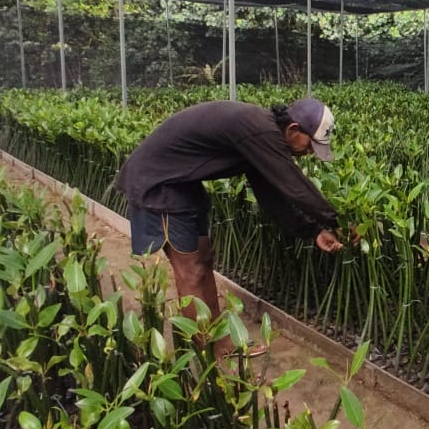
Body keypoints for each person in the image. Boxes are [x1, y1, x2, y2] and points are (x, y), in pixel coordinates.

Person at [115, 97, 345, 361]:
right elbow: (294, 185)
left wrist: (313, 231)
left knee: (204, 258)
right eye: (311, 146)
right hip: (159, 183)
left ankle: (219, 340)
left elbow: (271, 194)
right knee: (190, 270)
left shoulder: (260, 135)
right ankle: (207, 351)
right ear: (293, 129)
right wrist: (339, 222)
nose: (310, 153)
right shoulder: (262, 132)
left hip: (183, 184)